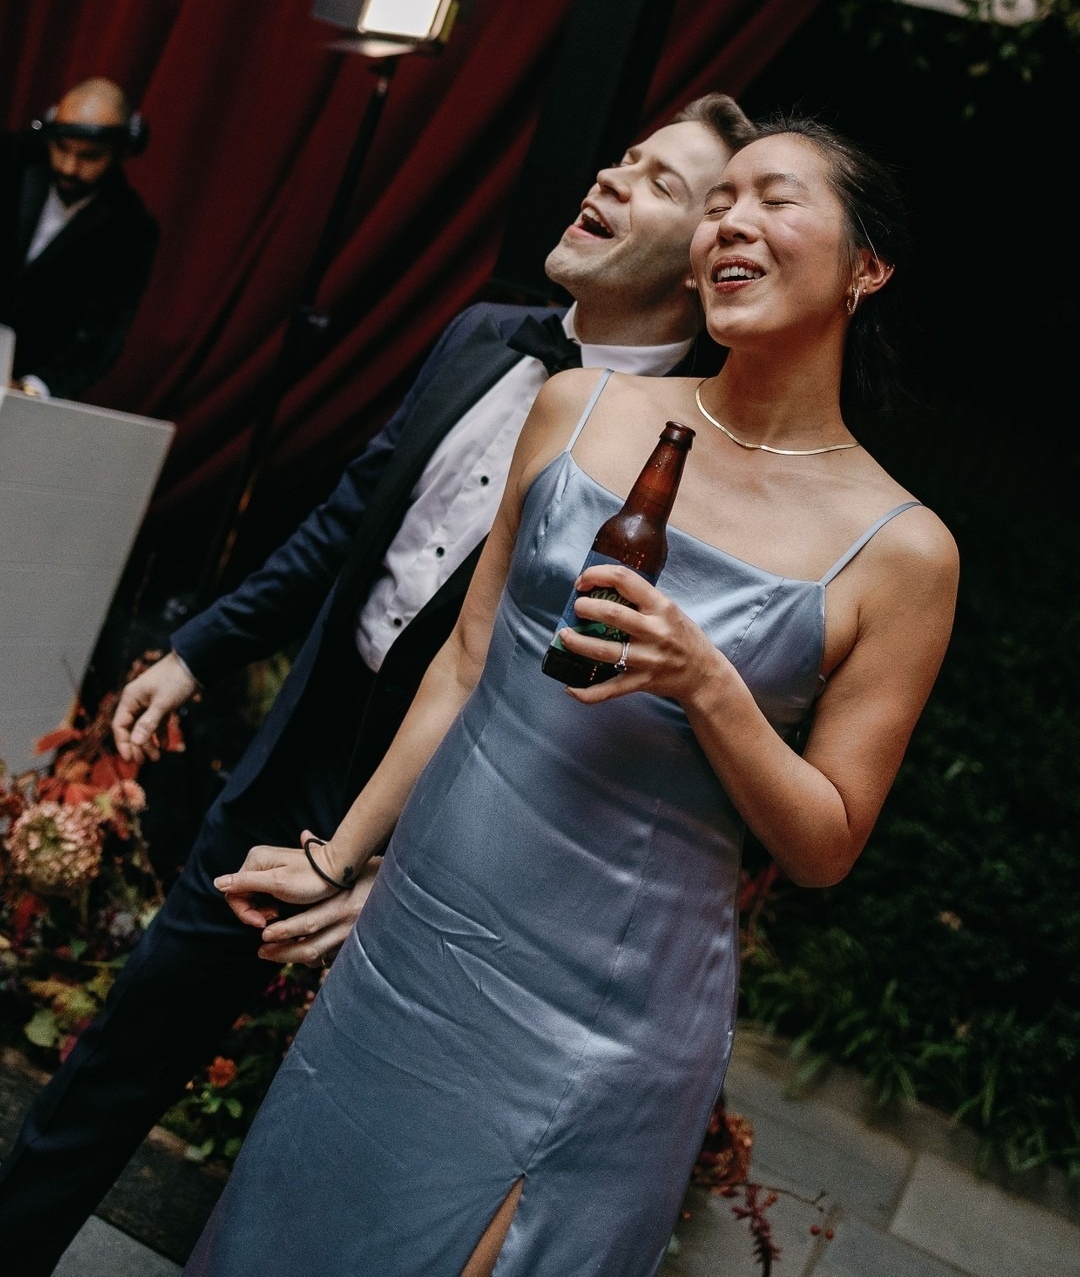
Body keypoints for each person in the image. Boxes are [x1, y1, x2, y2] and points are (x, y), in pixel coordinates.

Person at [182, 115, 959, 1276]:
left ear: (868, 266)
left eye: (777, 199)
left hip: (605, 1015)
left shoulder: (901, 553)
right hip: (421, 941)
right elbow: (464, 663)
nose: (731, 222)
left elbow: (826, 845)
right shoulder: (582, 408)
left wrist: (709, 684)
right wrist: (341, 859)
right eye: (720, 203)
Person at [0, 91, 756, 1276]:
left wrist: (400, 858)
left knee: (343, 1163)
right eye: (621, 156)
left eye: (660, 180)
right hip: (297, 766)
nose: (610, 178)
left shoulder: (688, 458)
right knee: (116, 1062)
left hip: (460, 839)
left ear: (712, 256)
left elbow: (607, 721)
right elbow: (347, 526)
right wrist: (199, 649)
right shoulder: (479, 337)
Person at [0, 77, 158, 400]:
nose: (69, 167)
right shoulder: (8, 161)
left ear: (122, 152)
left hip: (22, 391)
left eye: (89, 156)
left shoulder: (133, 230)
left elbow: (102, 338)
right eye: (61, 148)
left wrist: (32, 388)